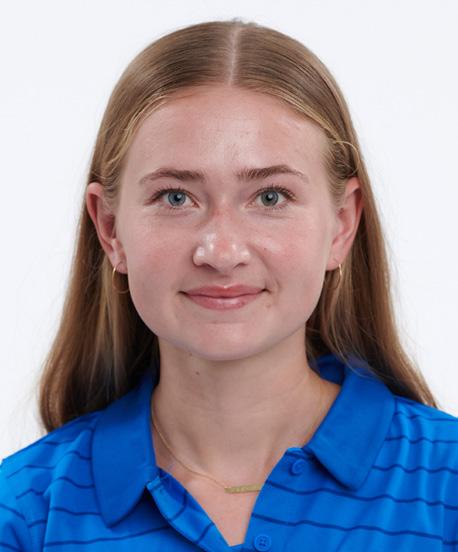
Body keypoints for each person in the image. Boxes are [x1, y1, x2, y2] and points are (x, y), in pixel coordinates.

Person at [1, 18, 457, 551]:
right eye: (176, 197)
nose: (220, 252)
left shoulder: (447, 486)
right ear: (110, 229)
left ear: (341, 225)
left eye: (270, 197)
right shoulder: (23, 512)